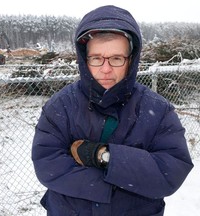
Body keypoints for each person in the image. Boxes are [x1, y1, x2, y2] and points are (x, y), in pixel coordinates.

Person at [32, 5, 194, 216]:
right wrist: (124, 181)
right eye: (97, 58)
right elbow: (47, 164)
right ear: (85, 59)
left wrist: (103, 155)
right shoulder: (61, 105)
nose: (106, 69)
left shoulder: (158, 110)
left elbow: (170, 171)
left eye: (116, 59)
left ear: (131, 60)